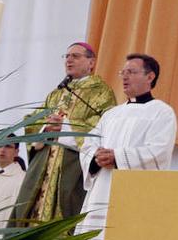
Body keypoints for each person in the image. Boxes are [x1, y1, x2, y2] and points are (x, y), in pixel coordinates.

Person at [9, 42, 117, 227]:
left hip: (72, 165)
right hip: (44, 164)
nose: (69, 60)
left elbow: (104, 126)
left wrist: (66, 127)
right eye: (66, 56)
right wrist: (45, 127)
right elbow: (32, 119)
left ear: (91, 62)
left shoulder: (102, 93)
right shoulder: (56, 94)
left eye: (75, 56)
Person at [77, 53, 176, 240]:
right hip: (102, 190)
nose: (124, 77)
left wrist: (118, 157)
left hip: (135, 192)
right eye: (123, 72)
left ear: (150, 76)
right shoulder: (111, 114)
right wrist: (96, 159)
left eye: (131, 72)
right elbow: (88, 144)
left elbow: (159, 151)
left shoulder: (162, 112)